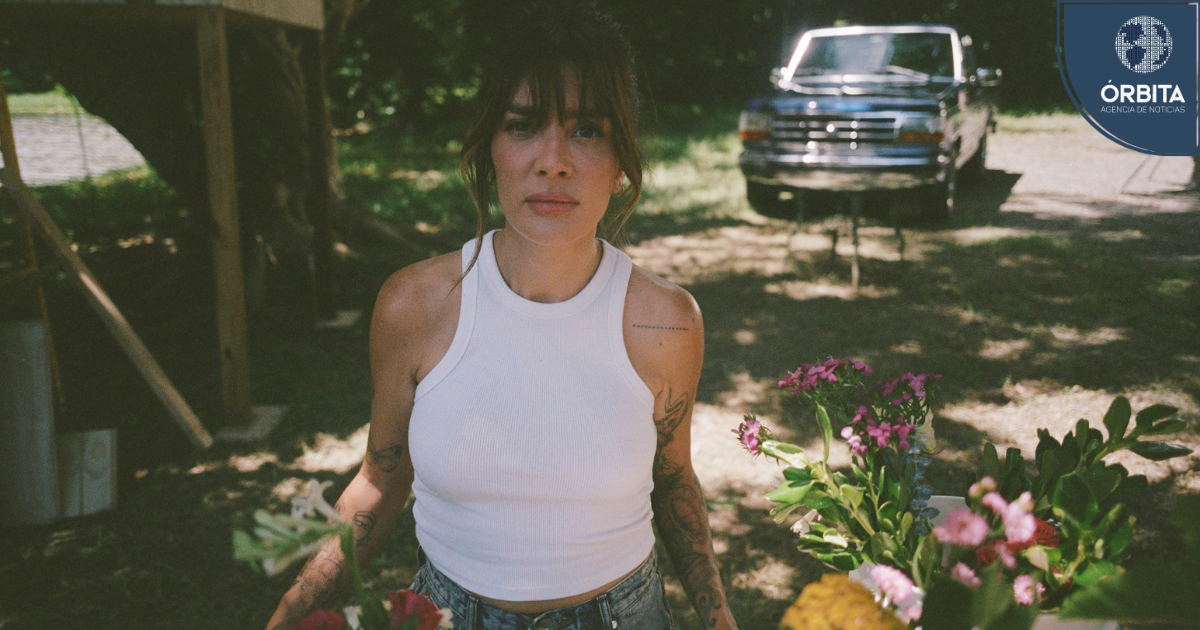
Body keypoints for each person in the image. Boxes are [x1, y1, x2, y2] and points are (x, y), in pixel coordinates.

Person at [265, 4, 738, 630]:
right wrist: (291, 611)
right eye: (522, 126)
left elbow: (674, 479)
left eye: (587, 130)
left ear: (623, 160)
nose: (553, 161)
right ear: (489, 148)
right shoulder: (414, 305)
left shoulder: (667, 323)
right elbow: (380, 479)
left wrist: (719, 618)